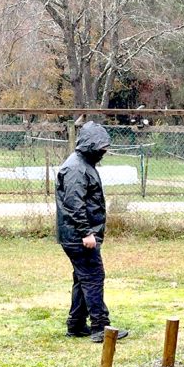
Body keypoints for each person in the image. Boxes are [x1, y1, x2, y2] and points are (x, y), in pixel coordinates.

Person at [55, 121, 128, 343]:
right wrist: (87, 233)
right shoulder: (76, 169)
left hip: (77, 235)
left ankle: (76, 325)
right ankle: (100, 327)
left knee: (83, 278)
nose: (103, 153)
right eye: (101, 148)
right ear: (90, 145)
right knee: (94, 277)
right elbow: (74, 204)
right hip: (79, 237)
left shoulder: (83, 164)